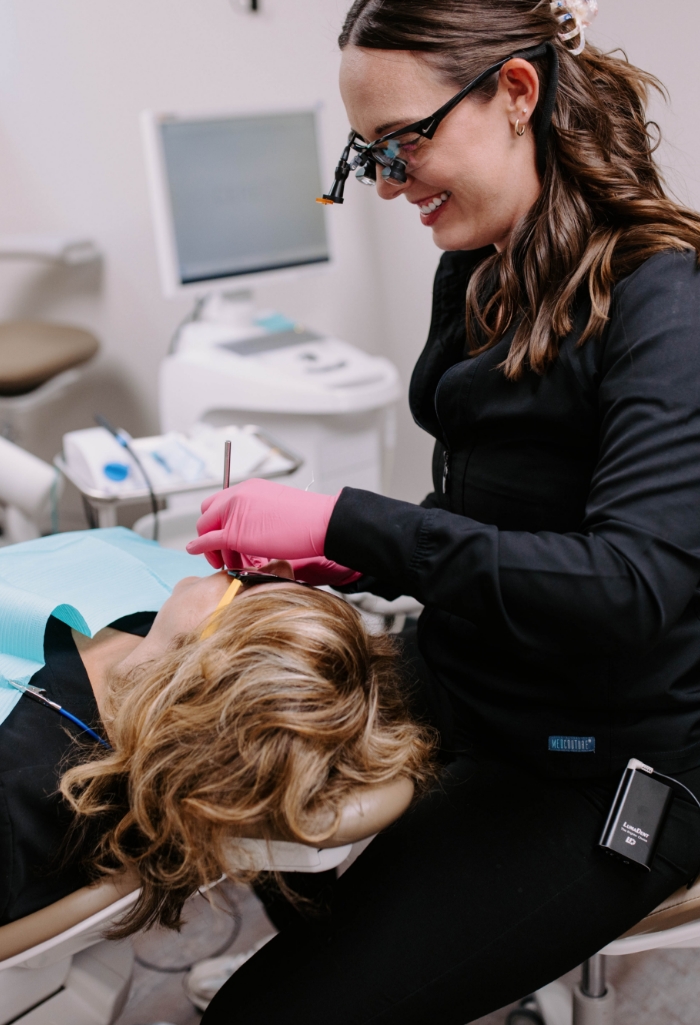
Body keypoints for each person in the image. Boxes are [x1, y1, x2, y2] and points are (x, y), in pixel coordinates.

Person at [186, 2, 700, 1022]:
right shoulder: (474, 265)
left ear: (515, 94)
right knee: (211, 772)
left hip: (601, 759)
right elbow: (485, 510)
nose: (390, 182)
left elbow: (627, 589)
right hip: (471, 682)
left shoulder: (665, 301)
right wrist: (349, 561)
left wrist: (349, 522)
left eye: (406, 141)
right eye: (369, 152)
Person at [0, 540, 433, 936]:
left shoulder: (16, 790)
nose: (276, 562)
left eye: (253, 583)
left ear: (205, 667)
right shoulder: (150, 631)